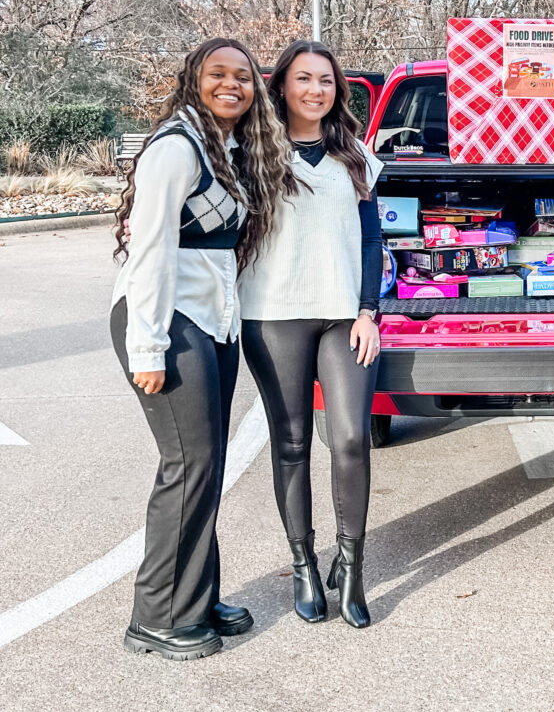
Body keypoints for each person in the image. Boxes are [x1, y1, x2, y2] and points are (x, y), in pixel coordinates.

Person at [111, 38, 296, 660]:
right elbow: (151, 252)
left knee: (206, 465)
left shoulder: (230, 149)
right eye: (218, 73)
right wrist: (148, 347)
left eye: (243, 76)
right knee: (187, 465)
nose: (232, 85)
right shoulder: (176, 146)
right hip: (166, 321)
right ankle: (157, 616)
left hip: (211, 322)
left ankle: (194, 596)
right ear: (194, 78)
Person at [240, 40, 389, 629]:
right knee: (293, 442)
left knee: (350, 439)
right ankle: (304, 564)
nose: (315, 90)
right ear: (281, 85)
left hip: (343, 316)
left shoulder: (355, 155)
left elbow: (373, 240)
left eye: (326, 80)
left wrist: (369, 310)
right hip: (272, 314)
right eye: (303, 78)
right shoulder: (252, 152)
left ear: (337, 90)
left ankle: (350, 568)